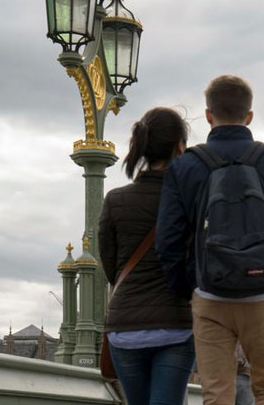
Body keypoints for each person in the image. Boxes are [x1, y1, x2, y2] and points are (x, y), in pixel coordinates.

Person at [157, 74, 264, 405]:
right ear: (250, 116)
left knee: (217, 393)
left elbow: (168, 242)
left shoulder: (186, 167)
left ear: (209, 115)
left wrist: (190, 288)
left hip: (210, 295)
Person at [98, 108, 194, 405]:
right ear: (180, 147)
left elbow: (111, 267)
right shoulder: (190, 199)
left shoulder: (115, 200)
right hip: (175, 326)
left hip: (125, 328)